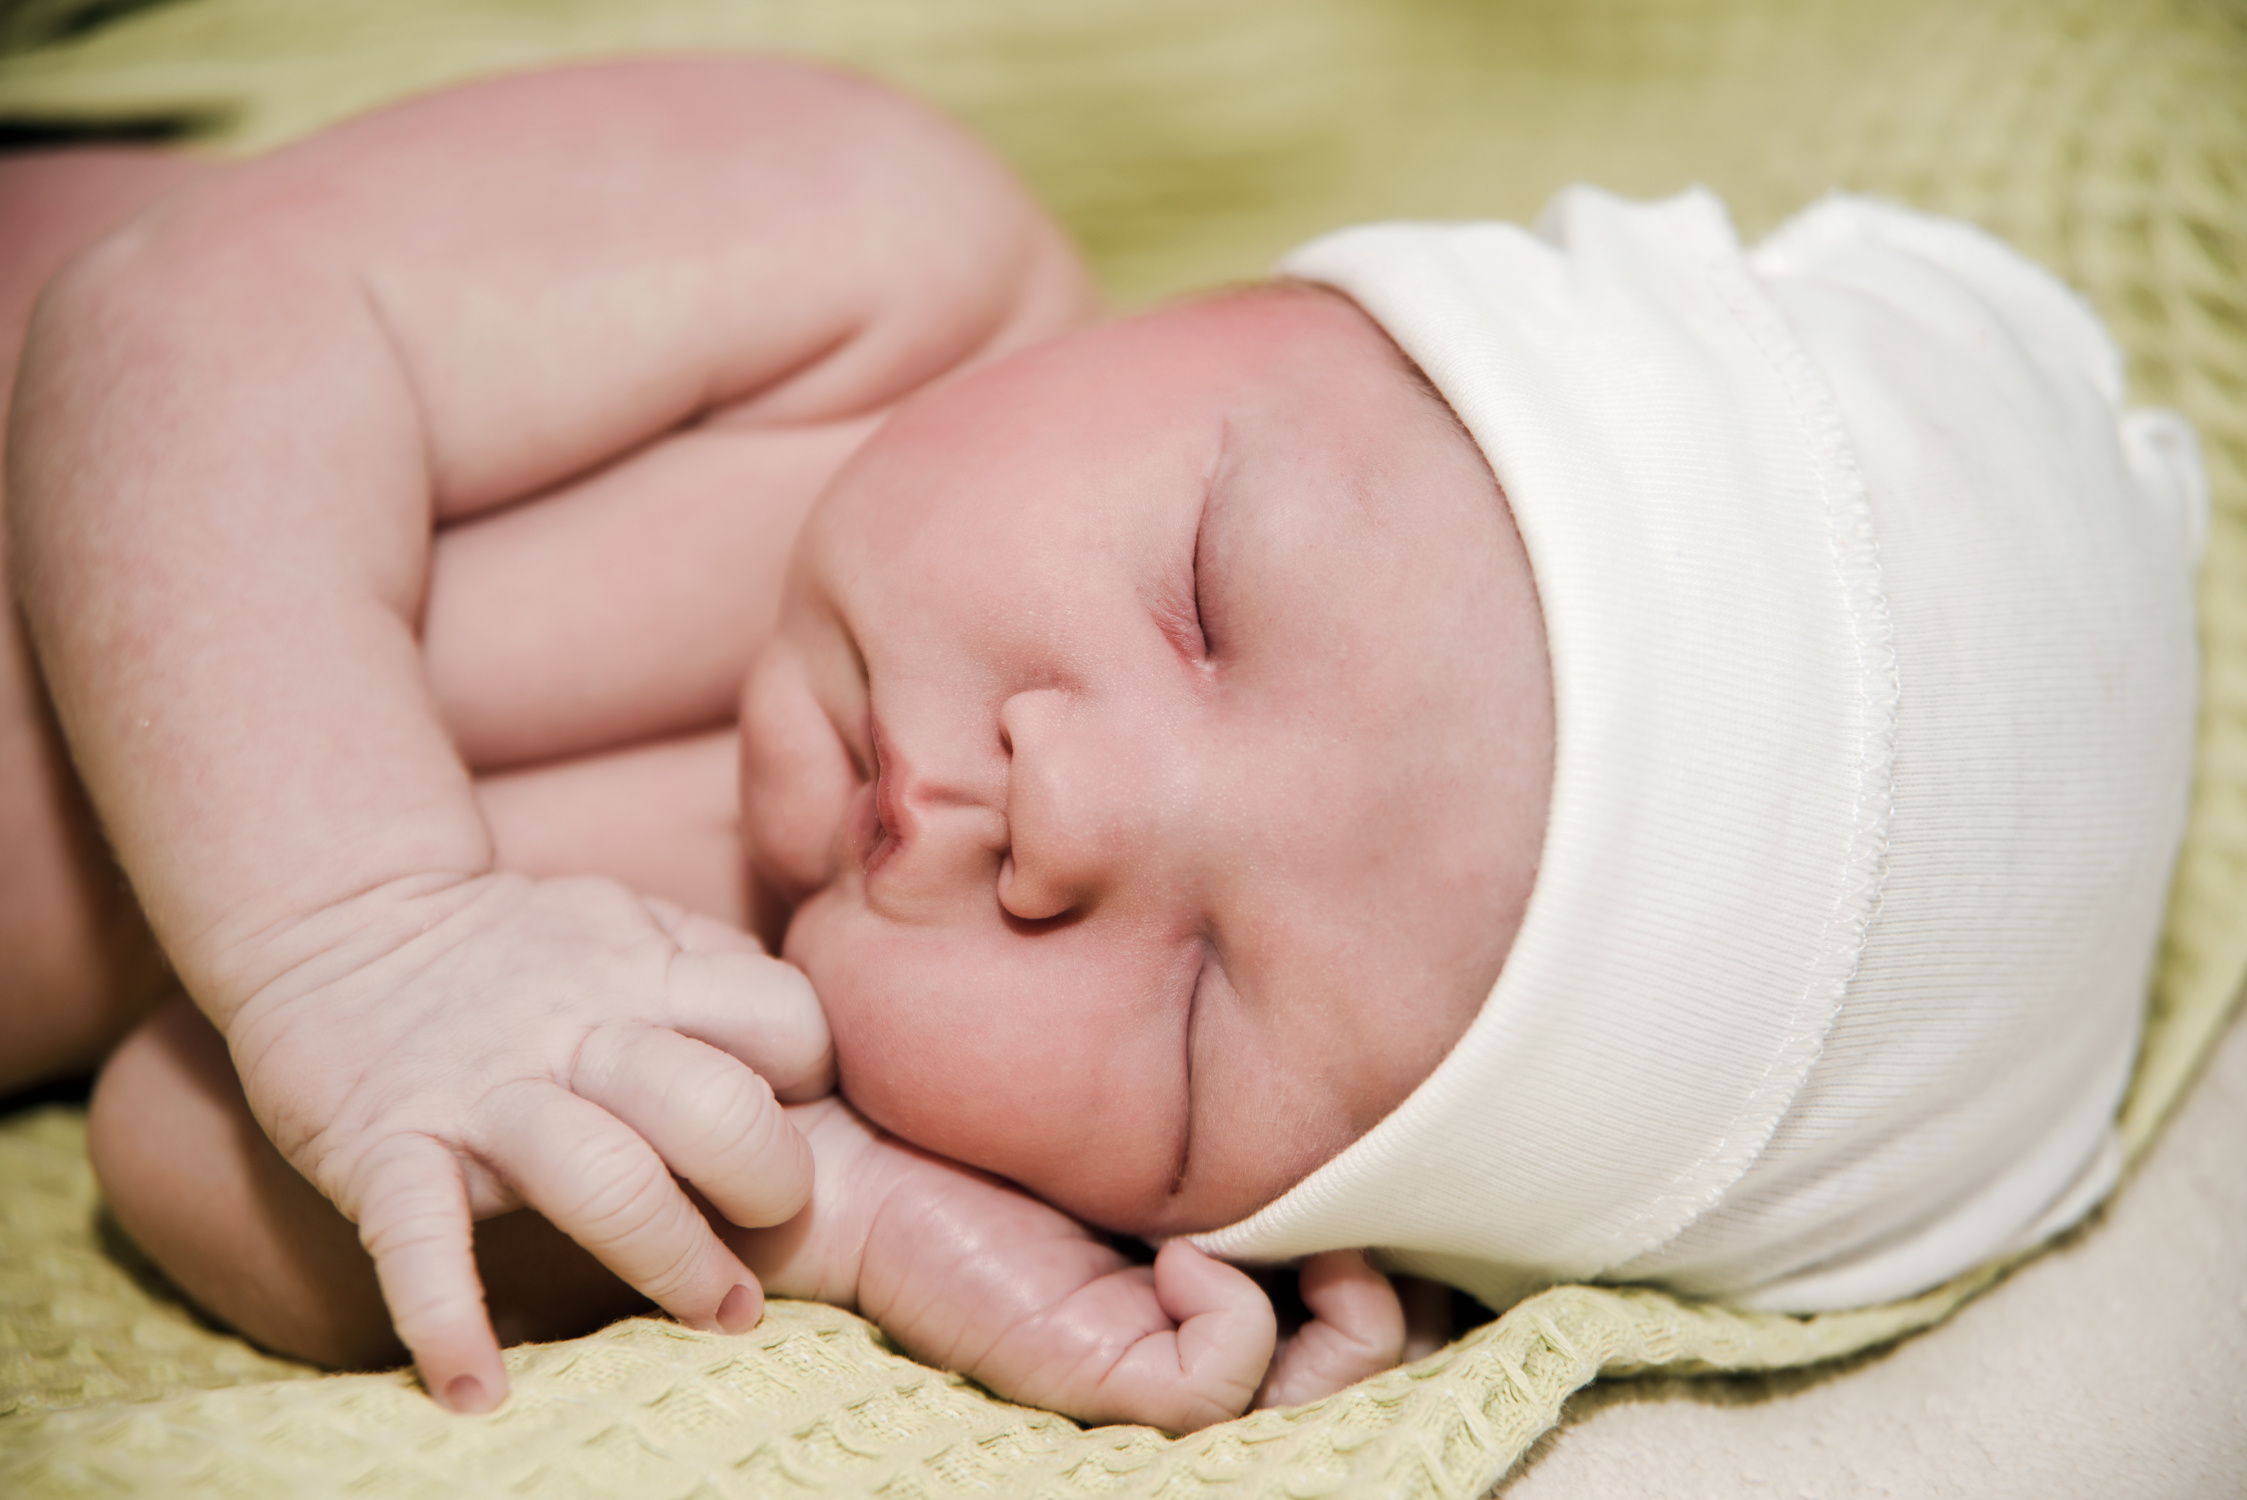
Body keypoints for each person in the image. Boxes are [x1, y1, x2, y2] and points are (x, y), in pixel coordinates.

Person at [1, 53, 2201, 1434]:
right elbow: (188, 321)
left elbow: (188, 1143)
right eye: (1206, 598)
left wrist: (821, 1212)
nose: (1071, 814)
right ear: (1257, 300)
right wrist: (361, 930)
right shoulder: (880, 259)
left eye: (1190, 1017)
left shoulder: (794, 1042)